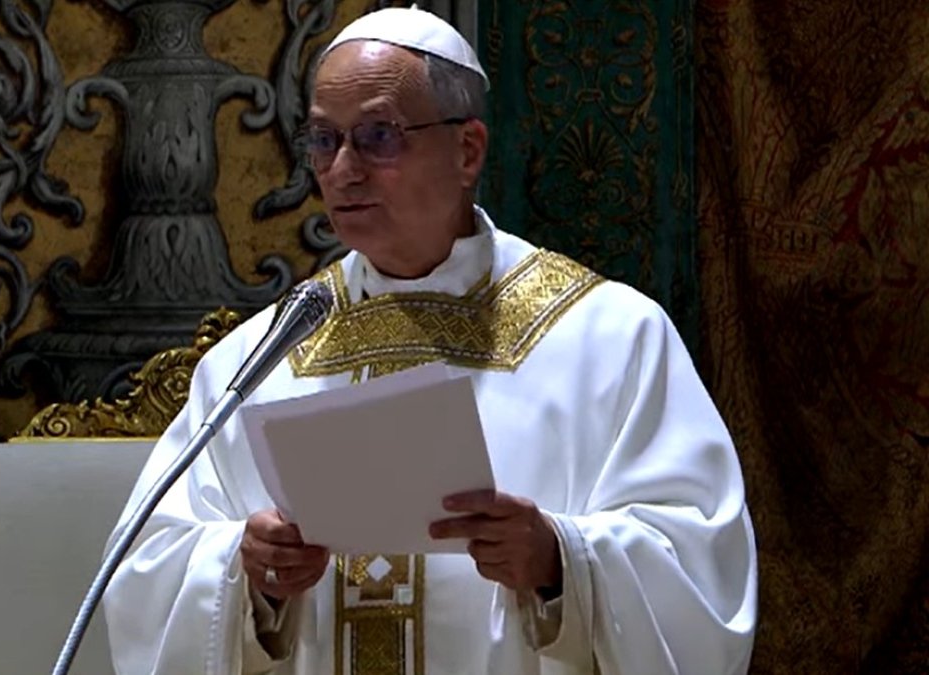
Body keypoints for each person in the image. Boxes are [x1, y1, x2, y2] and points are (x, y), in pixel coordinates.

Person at [103, 7, 757, 674]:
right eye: (324, 141)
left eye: (378, 136)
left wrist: (559, 558)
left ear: (467, 149)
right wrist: (248, 572)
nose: (343, 169)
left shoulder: (610, 339)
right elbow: (146, 570)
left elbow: (704, 569)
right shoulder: (253, 361)